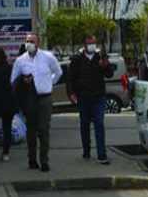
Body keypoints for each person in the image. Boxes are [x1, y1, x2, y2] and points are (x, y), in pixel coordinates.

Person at [11, 34, 61, 172]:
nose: (29, 44)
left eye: (32, 41)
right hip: (29, 98)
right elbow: (13, 80)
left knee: (44, 129)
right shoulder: (20, 61)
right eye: (27, 41)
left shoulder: (48, 57)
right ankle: (32, 159)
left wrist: (48, 83)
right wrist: (23, 81)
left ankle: (44, 161)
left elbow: (58, 72)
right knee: (31, 130)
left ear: (38, 43)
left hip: (45, 97)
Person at [67, 35, 114, 164]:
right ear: (85, 45)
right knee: (84, 124)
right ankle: (86, 150)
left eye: (94, 43)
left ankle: (101, 154)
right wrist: (71, 93)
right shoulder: (77, 59)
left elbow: (110, 74)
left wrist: (105, 65)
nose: (92, 45)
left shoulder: (100, 57)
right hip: (83, 97)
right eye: (89, 43)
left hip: (98, 96)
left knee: (99, 123)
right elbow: (70, 78)